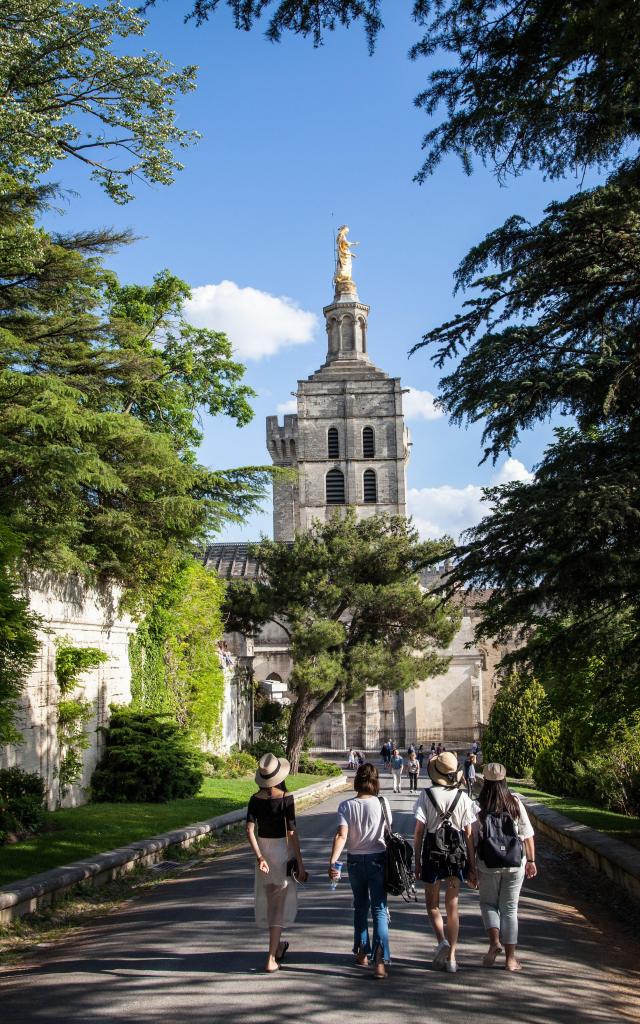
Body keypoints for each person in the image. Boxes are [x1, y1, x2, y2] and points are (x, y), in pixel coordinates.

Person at [413, 750, 477, 973]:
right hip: (455, 854)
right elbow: (469, 834)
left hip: (432, 851)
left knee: (432, 906)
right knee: (453, 909)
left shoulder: (426, 795)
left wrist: (417, 861)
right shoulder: (463, 798)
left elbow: (419, 832)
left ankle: (442, 941)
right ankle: (451, 959)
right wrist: (472, 865)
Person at [246, 753, 308, 973]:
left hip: (264, 849)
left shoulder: (255, 799)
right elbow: (291, 831)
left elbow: (249, 830)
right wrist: (300, 862)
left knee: (271, 902)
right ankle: (271, 958)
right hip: (282, 850)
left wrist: (259, 856)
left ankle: (278, 945)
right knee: (278, 906)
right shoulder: (286, 798)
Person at [329, 762, 391, 979]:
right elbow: (387, 832)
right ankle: (380, 961)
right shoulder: (382, 803)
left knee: (360, 907)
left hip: (355, 861)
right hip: (378, 859)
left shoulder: (346, 806)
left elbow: (341, 836)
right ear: (375, 782)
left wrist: (333, 862)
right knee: (379, 909)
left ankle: (362, 953)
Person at [475, 763, 537, 972]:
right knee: (510, 909)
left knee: (488, 904)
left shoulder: (478, 805)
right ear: (504, 780)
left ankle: (494, 943)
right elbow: (527, 835)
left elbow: (473, 838)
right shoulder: (515, 803)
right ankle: (511, 960)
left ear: (485, 781)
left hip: (487, 863)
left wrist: (471, 866)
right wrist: (531, 861)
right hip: (514, 862)